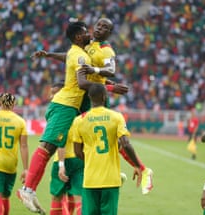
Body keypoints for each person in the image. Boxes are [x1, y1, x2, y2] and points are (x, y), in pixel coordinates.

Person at [32, 17, 153, 194]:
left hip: (97, 96)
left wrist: (98, 74)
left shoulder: (106, 50)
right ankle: (113, 172)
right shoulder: (88, 45)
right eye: (98, 25)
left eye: (105, 27)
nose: (100, 29)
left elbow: (111, 70)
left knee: (108, 137)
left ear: (109, 33)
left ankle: (142, 169)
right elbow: (70, 57)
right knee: (87, 139)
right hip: (86, 97)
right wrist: (50, 55)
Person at [16, 21, 92, 214]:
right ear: (77, 37)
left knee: (49, 149)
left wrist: (49, 54)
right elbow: (83, 83)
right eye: (85, 32)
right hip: (65, 105)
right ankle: (27, 189)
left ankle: (29, 190)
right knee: (47, 146)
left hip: (65, 105)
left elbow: (66, 57)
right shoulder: (81, 55)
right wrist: (105, 85)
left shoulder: (75, 52)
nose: (89, 33)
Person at [73, 83, 143, 214]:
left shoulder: (79, 120)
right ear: (105, 97)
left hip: (90, 179)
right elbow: (126, 144)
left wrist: (90, 161)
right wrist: (137, 165)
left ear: (89, 97)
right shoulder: (116, 117)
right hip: (111, 180)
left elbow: (77, 151)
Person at [48, 81, 83, 215]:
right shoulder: (79, 112)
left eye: (54, 93)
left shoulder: (59, 114)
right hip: (80, 159)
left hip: (63, 159)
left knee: (57, 196)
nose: (52, 97)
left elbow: (60, 140)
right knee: (78, 197)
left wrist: (61, 163)